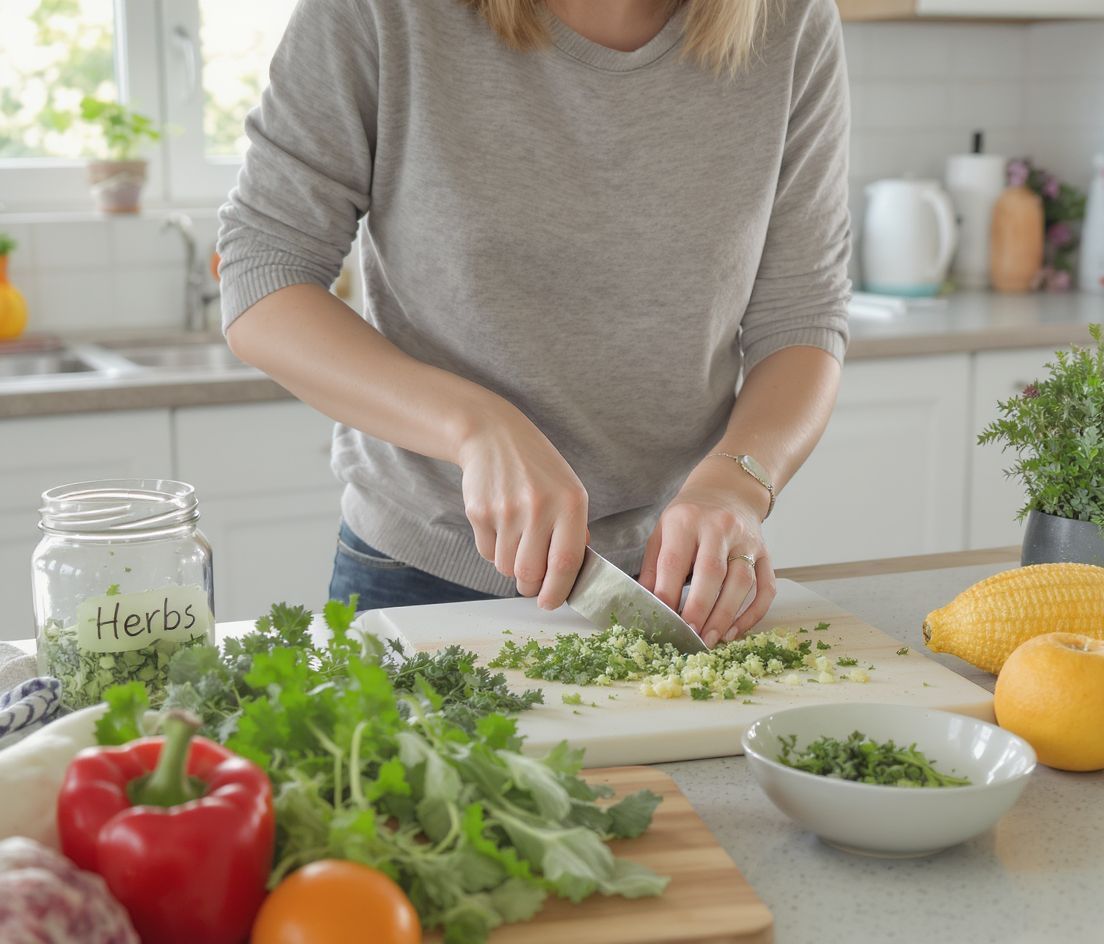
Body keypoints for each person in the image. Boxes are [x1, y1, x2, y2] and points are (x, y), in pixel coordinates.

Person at [217, 0, 850, 648]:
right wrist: (474, 426)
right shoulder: (382, 13)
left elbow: (802, 313)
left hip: (671, 587)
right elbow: (264, 276)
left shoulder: (789, 20)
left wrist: (734, 485)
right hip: (420, 578)